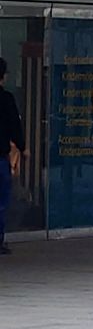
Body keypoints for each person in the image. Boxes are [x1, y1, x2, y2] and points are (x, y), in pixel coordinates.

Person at [0, 58, 22, 255]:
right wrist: (22, 147)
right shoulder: (5, 99)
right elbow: (14, 125)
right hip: (0, 157)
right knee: (1, 201)